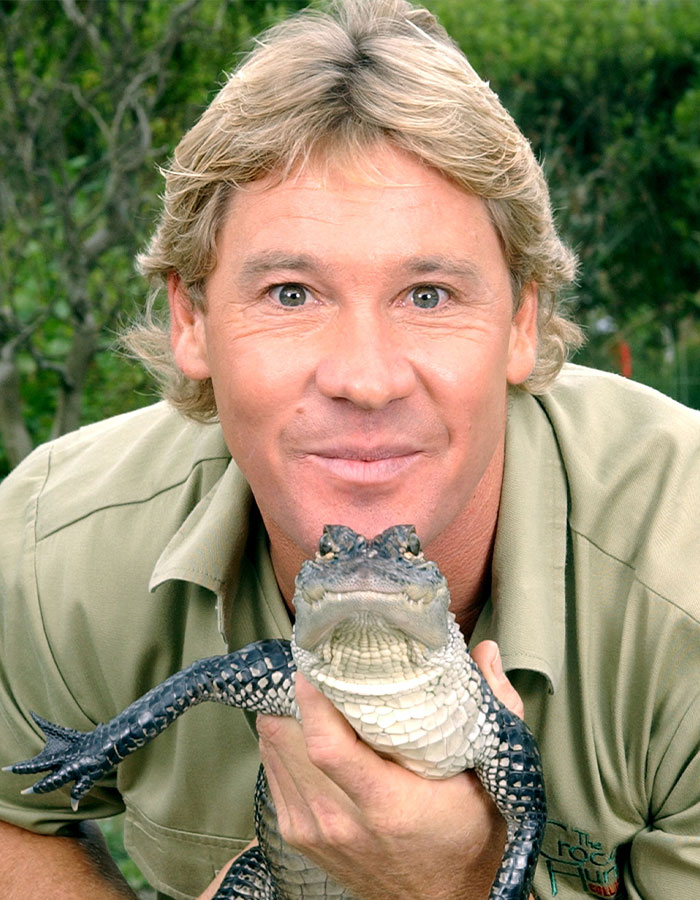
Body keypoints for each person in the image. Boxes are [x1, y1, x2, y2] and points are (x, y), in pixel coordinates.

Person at [1, 1, 699, 898]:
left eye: (429, 294)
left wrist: (455, 884)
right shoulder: (49, 544)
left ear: (522, 320)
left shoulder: (684, 584)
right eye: (291, 293)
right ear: (191, 319)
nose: (365, 380)